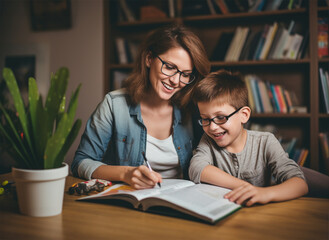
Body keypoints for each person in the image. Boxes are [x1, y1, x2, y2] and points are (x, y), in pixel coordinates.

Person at [71, 24, 210, 189]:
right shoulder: (114, 104)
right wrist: (126, 174)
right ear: (149, 59)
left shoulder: (193, 108)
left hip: (182, 202)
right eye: (170, 67)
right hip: (131, 204)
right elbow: (80, 162)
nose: (175, 80)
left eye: (185, 75)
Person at [189, 69, 308, 206]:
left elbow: (300, 184)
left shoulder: (265, 142)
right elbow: (196, 168)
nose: (212, 127)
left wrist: (263, 193)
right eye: (205, 119)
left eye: (221, 118)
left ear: (244, 115)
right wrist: (244, 187)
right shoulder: (208, 140)